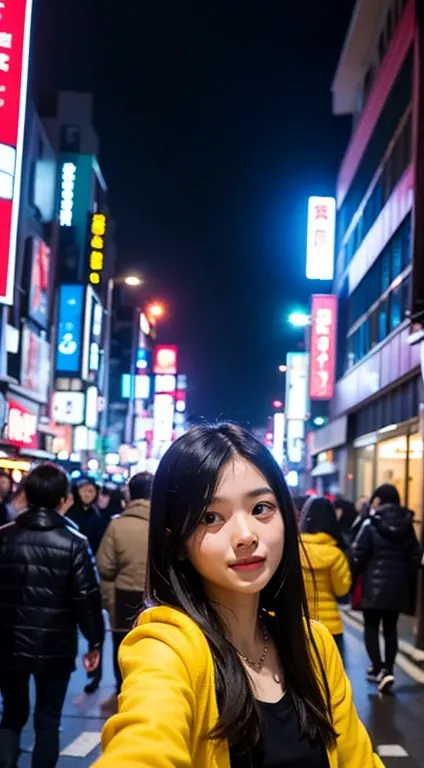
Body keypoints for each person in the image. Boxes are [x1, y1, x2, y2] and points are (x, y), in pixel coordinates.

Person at [94, 424, 382, 767]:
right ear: (177, 543)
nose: (245, 535)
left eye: (261, 508)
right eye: (211, 517)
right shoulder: (167, 649)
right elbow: (143, 745)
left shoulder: (314, 645)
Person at [0, 463, 104, 768]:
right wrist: (95, 642)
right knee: (48, 718)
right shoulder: (75, 543)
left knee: (11, 714)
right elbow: (87, 599)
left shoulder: (3, 536)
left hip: (7, 641)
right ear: (64, 499)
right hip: (55, 645)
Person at [351, 483, 421, 693]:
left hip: (373, 586)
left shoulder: (370, 524)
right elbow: (415, 556)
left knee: (371, 628)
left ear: (378, 501)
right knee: (391, 629)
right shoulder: (408, 526)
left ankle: (378, 667)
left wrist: (357, 575)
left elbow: (358, 555)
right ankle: (388, 670)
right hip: (398, 587)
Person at [96, 472, 153, 693]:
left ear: (129, 495)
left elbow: (105, 566)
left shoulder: (117, 526)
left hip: (123, 598)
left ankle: (124, 691)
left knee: (123, 647)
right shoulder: (166, 526)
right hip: (156, 598)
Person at [299, 496, 352, 659]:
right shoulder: (335, 554)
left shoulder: (293, 550)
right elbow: (342, 589)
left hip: (300, 624)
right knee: (333, 681)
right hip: (330, 627)